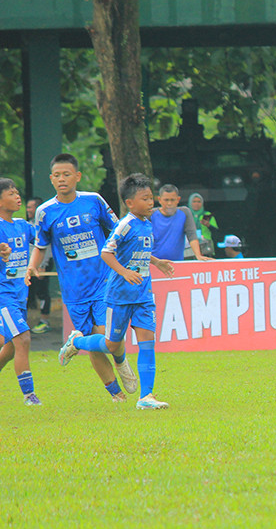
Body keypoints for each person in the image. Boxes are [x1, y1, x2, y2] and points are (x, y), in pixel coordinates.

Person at [59, 173, 174, 410]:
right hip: (119, 295)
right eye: (145, 198)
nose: (151, 202)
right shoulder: (124, 224)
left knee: (147, 343)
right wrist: (124, 272)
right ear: (130, 203)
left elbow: (136, 252)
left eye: (151, 198)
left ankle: (146, 397)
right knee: (112, 345)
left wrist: (157, 262)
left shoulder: (146, 224)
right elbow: (106, 252)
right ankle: (78, 342)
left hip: (143, 294)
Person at [28, 153, 136, 403]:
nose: (62, 179)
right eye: (57, 175)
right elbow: (41, 245)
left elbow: (117, 230)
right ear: (51, 179)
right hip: (73, 289)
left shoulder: (93, 201)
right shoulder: (45, 212)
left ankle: (118, 360)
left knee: (108, 335)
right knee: (93, 342)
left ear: (77, 176)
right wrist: (32, 267)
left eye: (67, 174)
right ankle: (116, 395)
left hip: (103, 281)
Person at [0, 179, 41, 406]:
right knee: (23, 339)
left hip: (19, 296)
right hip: (3, 294)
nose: (18, 197)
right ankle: (29, 396)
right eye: (12, 193)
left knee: (8, 346)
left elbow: (43, 240)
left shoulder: (23, 226)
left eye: (18, 193)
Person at [151, 184, 207, 262]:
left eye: (172, 200)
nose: (169, 203)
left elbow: (192, 235)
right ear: (159, 200)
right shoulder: (151, 214)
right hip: (154, 264)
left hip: (177, 263)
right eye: (166, 200)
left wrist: (198, 255)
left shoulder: (184, 212)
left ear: (178, 199)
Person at [24, 196, 53, 333]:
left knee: (42, 292)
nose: (28, 209)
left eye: (30, 207)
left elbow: (44, 247)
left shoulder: (43, 225)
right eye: (27, 207)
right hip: (29, 266)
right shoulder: (27, 225)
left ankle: (44, 321)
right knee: (29, 292)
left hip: (41, 265)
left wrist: (42, 264)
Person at [188, 192, 218, 257]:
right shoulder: (186, 215)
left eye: (199, 202)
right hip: (189, 246)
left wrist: (208, 225)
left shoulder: (207, 215)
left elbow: (216, 231)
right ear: (190, 203)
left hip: (205, 246)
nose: (196, 204)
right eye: (194, 201)